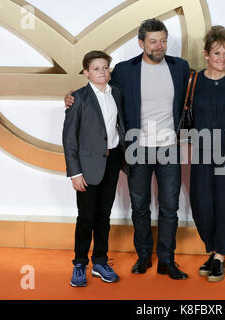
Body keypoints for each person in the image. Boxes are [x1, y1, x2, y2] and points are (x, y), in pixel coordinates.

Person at [65, 19, 190, 280]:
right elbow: (99, 91)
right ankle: (143, 256)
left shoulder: (181, 67)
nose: (159, 46)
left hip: (169, 148)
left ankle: (167, 260)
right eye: (153, 41)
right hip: (137, 149)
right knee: (140, 205)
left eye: (163, 40)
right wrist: (71, 97)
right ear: (141, 43)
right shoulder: (124, 70)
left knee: (169, 207)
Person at [62, 51, 126, 287]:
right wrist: (75, 173)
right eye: (97, 68)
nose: (102, 72)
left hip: (111, 162)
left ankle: (100, 261)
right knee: (86, 217)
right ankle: (79, 263)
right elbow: (69, 139)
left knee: (103, 216)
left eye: (106, 67)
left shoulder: (115, 93)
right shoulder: (78, 98)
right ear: (86, 72)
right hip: (87, 167)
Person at [187, 26, 225, 282]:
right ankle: (212, 250)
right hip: (199, 151)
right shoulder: (193, 80)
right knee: (202, 203)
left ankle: (221, 256)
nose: (222, 59)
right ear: (206, 54)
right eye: (217, 53)